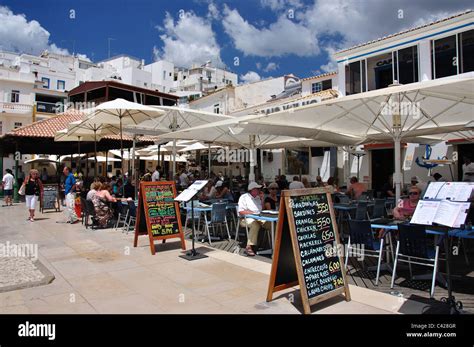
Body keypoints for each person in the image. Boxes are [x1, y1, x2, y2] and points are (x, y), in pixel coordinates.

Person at [238, 182, 270, 256]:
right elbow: (241, 211)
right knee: (255, 224)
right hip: (245, 219)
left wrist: (262, 199)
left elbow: (261, 209)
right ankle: (249, 246)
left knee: (270, 224)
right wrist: (251, 213)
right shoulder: (244, 197)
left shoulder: (258, 198)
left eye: (259, 189)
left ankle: (276, 244)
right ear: (251, 190)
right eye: (257, 189)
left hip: (258, 217)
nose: (259, 190)